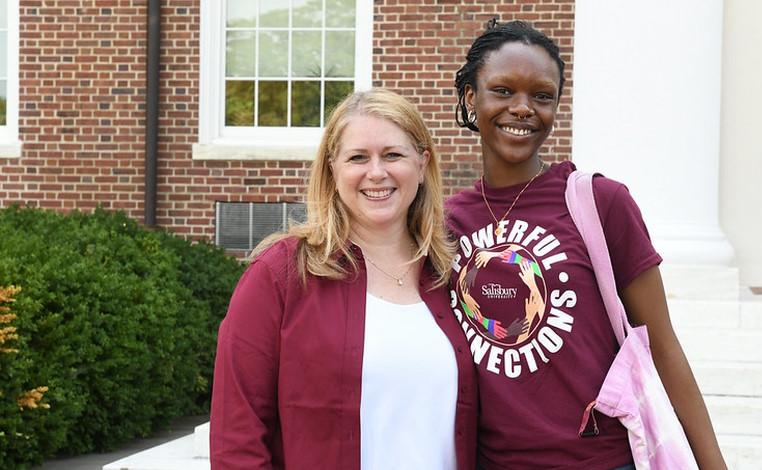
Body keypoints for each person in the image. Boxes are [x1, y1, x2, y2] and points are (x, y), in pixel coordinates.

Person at [446, 19, 727, 469]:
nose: (523, 108)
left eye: (541, 96)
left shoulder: (599, 202)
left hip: (599, 460)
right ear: (469, 98)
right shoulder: (446, 223)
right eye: (503, 91)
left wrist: (714, 465)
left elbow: (664, 346)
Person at [210, 89, 477, 470]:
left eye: (393, 155)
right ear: (332, 170)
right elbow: (237, 435)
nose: (376, 172)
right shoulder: (281, 276)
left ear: (422, 164)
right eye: (357, 157)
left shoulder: (453, 275)